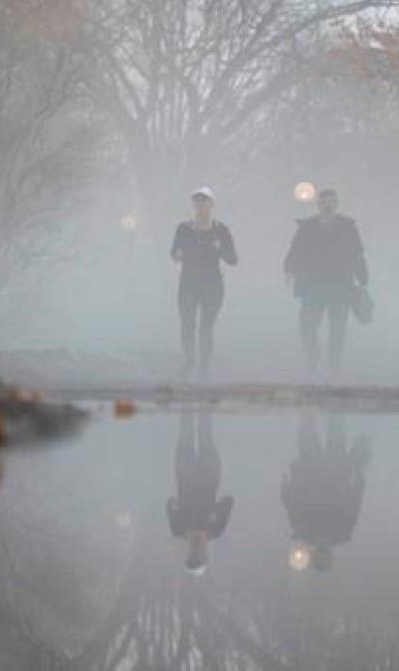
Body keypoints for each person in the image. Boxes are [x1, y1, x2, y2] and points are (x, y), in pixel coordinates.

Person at [283, 188, 367, 377]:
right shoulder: (307, 228)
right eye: (323, 202)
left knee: (337, 330)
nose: (327, 205)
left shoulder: (348, 228)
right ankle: (313, 356)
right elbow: (295, 251)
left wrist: (363, 279)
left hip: (340, 286)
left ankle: (333, 368)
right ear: (318, 205)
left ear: (336, 204)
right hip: (313, 285)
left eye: (330, 201)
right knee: (306, 325)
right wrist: (289, 269)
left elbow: (357, 255)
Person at [280, 414, 370, 572]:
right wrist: (359, 480)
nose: (323, 554)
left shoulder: (304, 531)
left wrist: (286, 486)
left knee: (307, 428)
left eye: (320, 557)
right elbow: (354, 504)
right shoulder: (342, 532)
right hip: (336, 472)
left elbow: (291, 504)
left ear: (315, 555)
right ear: (330, 556)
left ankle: (310, 400)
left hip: (310, 471)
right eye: (325, 557)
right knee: (334, 424)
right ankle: (331, 400)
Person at [171, 186, 237, 380]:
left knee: (206, 327)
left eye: (205, 202)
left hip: (212, 286)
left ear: (212, 205)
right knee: (187, 324)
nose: (201, 206)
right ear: (193, 205)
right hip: (188, 283)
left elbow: (233, 260)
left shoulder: (221, 230)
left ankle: (204, 368)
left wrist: (221, 248)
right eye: (197, 202)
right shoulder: (183, 228)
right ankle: (189, 359)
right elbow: (173, 252)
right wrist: (178, 254)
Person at [167, 410, 234, 576]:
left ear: (187, 555)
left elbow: (169, 504)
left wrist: (176, 508)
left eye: (191, 557)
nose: (195, 554)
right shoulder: (215, 530)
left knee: (185, 434)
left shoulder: (178, 529)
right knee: (205, 434)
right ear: (206, 555)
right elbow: (229, 501)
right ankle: (204, 400)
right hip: (209, 475)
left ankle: (187, 400)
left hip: (185, 475)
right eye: (199, 557)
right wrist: (216, 512)